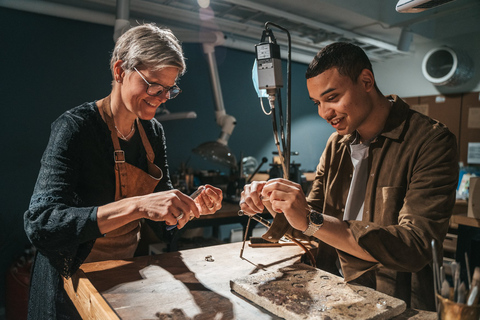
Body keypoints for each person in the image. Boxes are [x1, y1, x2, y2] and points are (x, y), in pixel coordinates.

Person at [24, 23, 223, 319]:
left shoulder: (153, 132)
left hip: (127, 278)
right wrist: (137, 205)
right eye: (154, 84)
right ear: (120, 71)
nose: (162, 97)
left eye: (170, 89)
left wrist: (188, 206)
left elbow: (160, 223)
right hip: (71, 283)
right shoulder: (75, 128)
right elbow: (41, 224)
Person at [240, 42, 458, 311]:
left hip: (398, 302)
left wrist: (310, 219)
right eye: (317, 102)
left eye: (332, 98)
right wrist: (278, 203)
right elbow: (313, 218)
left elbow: (415, 246)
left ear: (366, 80)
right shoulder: (336, 144)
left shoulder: (430, 141)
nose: (324, 113)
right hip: (334, 290)